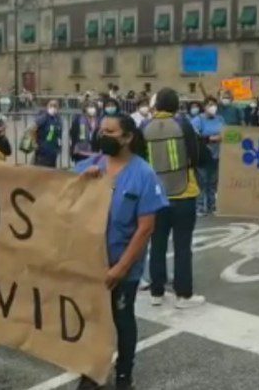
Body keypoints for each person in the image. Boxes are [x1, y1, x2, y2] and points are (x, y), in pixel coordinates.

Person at [74, 114, 167, 390]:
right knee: (92, 319)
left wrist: (121, 268)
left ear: (127, 137)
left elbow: (145, 228)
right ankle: (92, 371)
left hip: (122, 266)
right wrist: (82, 182)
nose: (102, 136)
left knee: (122, 319)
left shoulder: (143, 174)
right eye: (101, 131)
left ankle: (124, 373)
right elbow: (65, 204)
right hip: (90, 263)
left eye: (110, 132)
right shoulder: (89, 166)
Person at [142, 88, 207, 309]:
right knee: (182, 246)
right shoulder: (183, 125)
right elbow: (196, 156)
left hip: (155, 196)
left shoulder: (145, 127)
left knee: (157, 245)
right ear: (176, 105)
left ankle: (156, 292)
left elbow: (140, 161)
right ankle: (183, 295)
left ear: (157, 105)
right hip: (183, 193)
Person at [192, 97, 225, 216]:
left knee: (213, 182)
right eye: (210, 104)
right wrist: (211, 138)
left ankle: (212, 206)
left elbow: (226, 132)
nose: (213, 107)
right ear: (204, 106)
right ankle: (200, 207)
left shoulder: (220, 119)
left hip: (217, 154)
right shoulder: (198, 120)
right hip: (203, 155)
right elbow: (195, 137)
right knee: (202, 182)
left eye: (214, 105)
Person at [33, 99, 63, 167]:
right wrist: (35, 143)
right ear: (47, 107)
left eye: (55, 106)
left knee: (51, 168)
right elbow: (33, 128)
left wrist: (59, 147)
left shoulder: (58, 119)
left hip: (53, 150)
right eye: (51, 105)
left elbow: (59, 134)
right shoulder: (43, 117)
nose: (53, 108)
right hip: (42, 150)